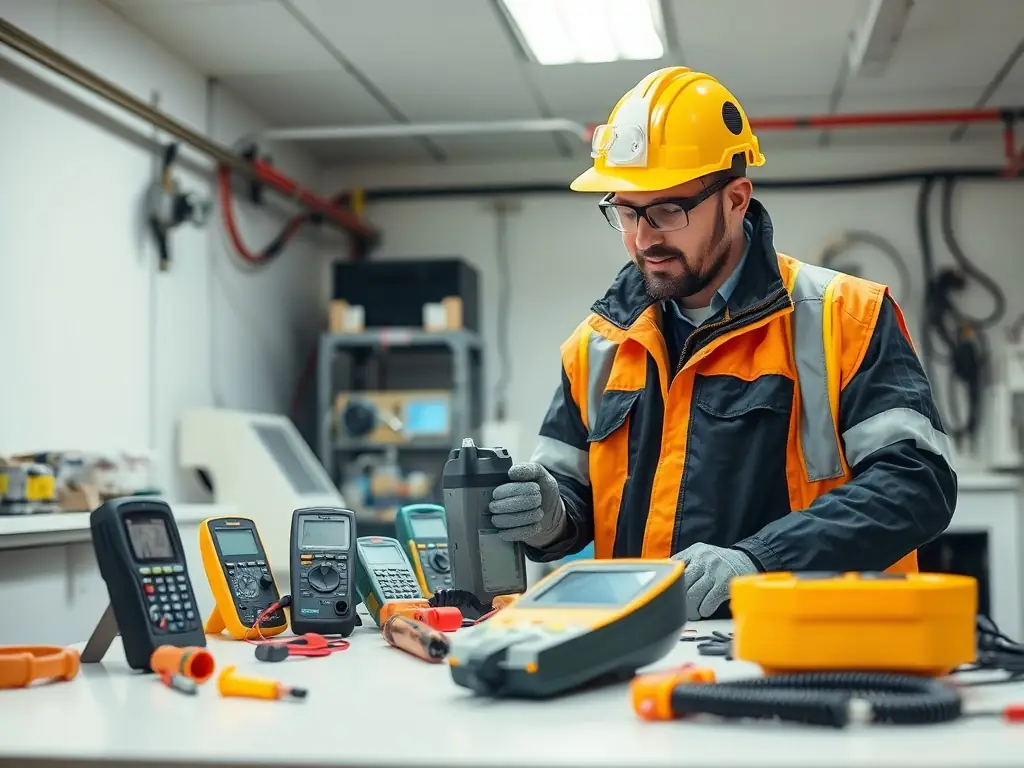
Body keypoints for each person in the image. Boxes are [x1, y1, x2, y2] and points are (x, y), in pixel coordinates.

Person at [487, 67, 957, 621]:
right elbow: (572, 497)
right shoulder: (596, 346)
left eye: (666, 210)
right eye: (624, 211)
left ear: (736, 199)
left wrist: (759, 561)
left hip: (809, 652)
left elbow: (915, 485)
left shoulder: (844, 317)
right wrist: (549, 518)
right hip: (640, 653)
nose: (643, 238)